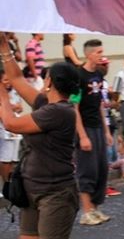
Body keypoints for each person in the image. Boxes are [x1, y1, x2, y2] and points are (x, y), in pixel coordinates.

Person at [0, 34, 80, 238]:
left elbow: (11, 123)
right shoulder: (45, 102)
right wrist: (4, 47)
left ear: (49, 81)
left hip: (55, 194)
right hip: (31, 187)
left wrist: (1, 93)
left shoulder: (60, 111)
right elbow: (17, 79)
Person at [75, 39, 113, 225]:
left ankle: (96, 208)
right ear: (89, 54)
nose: (101, 55)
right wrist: (82, 135)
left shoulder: (98, 75)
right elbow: (74, 107)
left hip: (98, 126)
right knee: (87, 169)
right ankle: (86, 211)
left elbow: (99, 103)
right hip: (86, 127)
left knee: (101, 168)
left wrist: (106, 131)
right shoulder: (78, 76)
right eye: (99, 52)